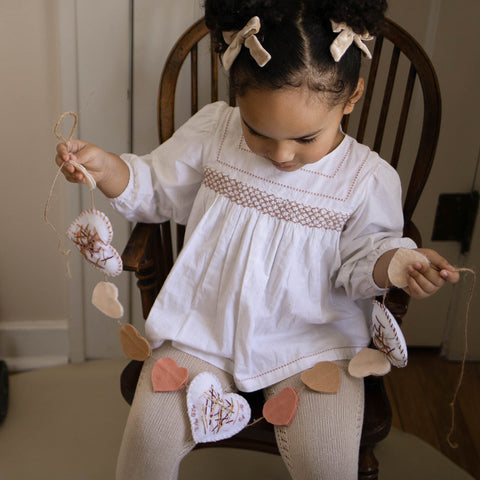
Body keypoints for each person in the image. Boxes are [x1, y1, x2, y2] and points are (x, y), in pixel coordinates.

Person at [56, 0, 459, 478]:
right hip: (204, 327)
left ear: (351, 98)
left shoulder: (367, 180)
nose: (282, 155)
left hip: (311, 340)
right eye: (258, 132)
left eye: (306, 138)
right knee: (148, 438)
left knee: (326, 460)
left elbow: (362, 262)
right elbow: (153, 188)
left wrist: (396, 264)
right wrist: (108, 169)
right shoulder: (216, 132)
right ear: (238, 100)